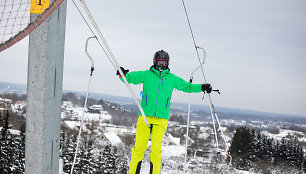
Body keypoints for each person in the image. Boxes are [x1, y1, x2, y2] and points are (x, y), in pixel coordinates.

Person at [116, 50, 212, 174]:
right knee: (139, 148)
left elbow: (187, 86)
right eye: (159, 62)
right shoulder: (146, 75)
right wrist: (122, 74)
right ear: (155, 62)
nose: (162, 65)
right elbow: (129, 79)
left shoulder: (172, 79)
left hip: (161, 119)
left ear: (168, 63)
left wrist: (202, 87)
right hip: (145, 116)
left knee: (156, 150)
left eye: (164, 63)